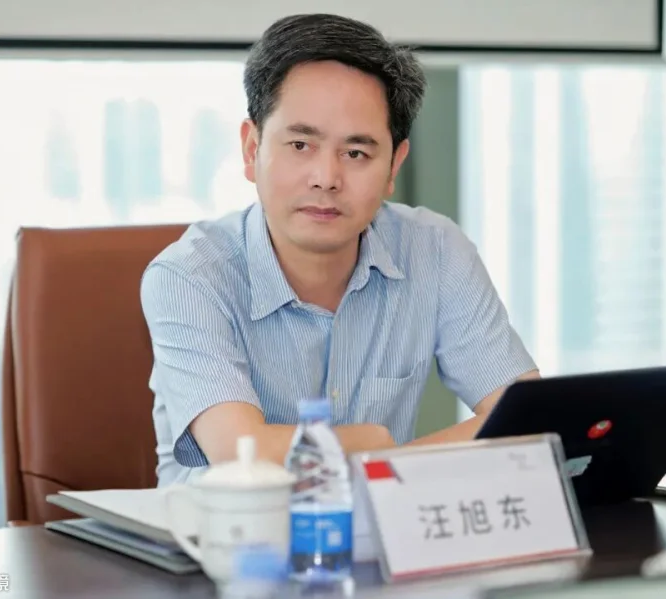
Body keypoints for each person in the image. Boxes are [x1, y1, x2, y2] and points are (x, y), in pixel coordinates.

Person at [140, 13, 539, 486]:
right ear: (251, 149)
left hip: (383, 529)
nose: (326, 178)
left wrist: (384, 458)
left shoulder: (434, 250)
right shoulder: (188, 276)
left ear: (394, 167)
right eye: (300, 145)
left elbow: (530, 420)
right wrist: (374, 442)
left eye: (355, 154)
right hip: (229, 533)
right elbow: (245, 458)